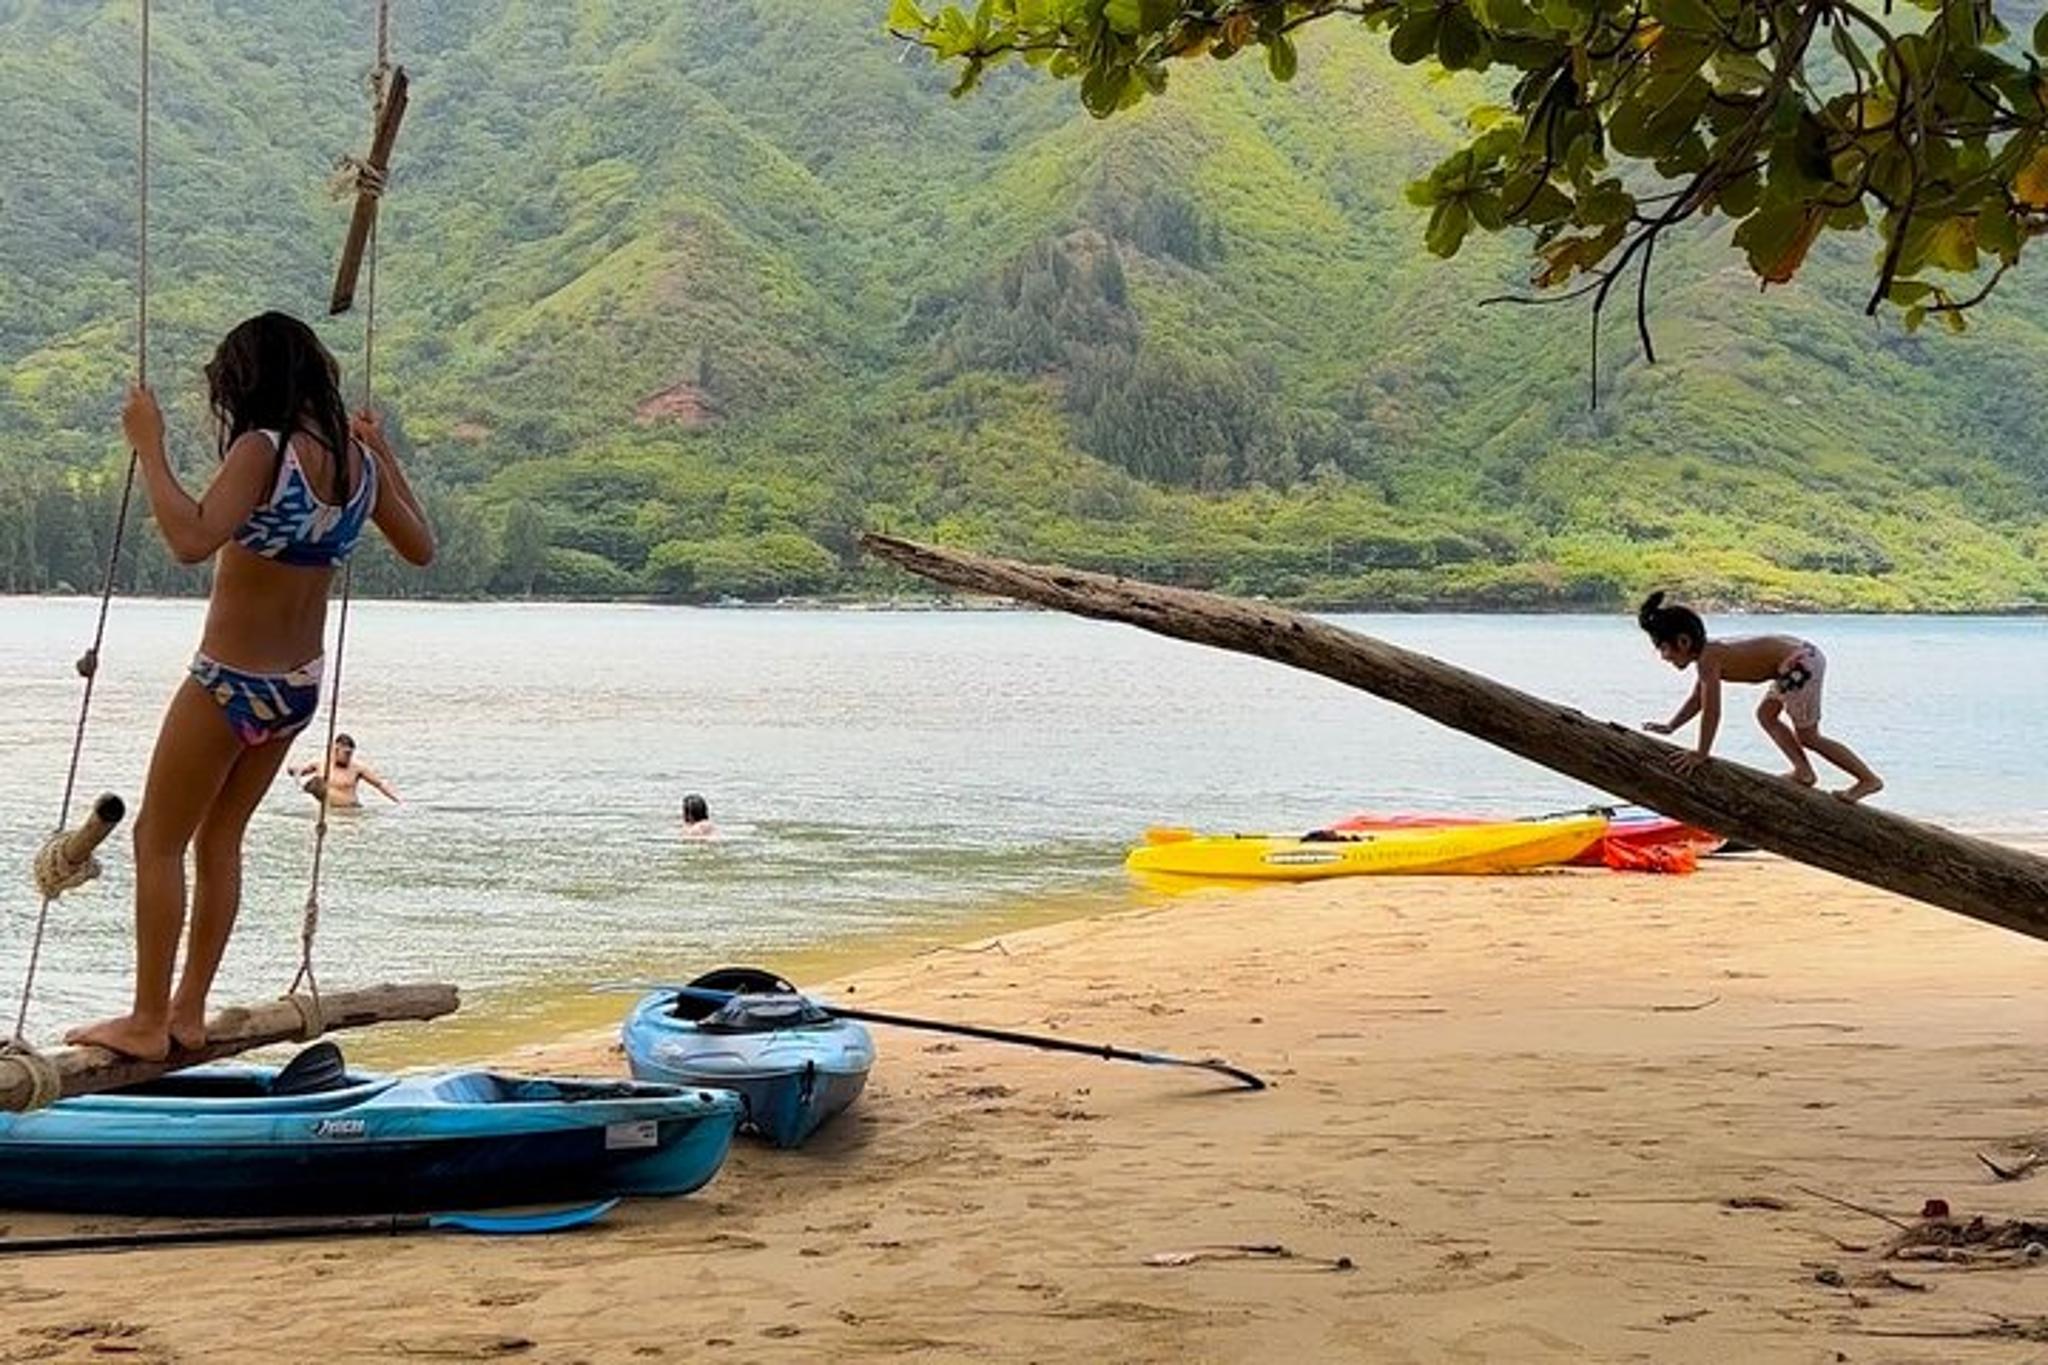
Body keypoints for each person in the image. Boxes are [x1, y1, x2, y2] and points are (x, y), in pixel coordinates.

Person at [67, 312, 435, 1061]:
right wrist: (385, 454)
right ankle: (188, 1010)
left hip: (229, 683)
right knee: (220, 838)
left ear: (249, 380)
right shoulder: (357, 466)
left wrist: (150, 446)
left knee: (157, 840)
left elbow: (190, 539)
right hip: (297, 689)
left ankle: (147, 1019)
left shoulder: (264, 450)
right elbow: (422, 548)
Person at [1637, 591, 1882, 803]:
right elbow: (1698, 699)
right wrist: (1672, 726)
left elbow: (1712, 711)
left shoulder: (1708, 659)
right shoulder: (1708, 656)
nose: (1663, 657)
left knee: (1809, 736)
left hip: (1799, 663)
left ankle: (1867, 780)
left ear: (1683, 641)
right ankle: (1803, 772)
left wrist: (1701, 753)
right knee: (1766, 715)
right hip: (1795, 660)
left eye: (1663, 648)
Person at [289, 733, 399, 807]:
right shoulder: (319, 764)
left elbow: (379, 784)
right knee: (317, 783)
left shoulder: (358, 768)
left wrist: (397, 801)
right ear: (336, 749)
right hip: (328, 811)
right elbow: (298, 772)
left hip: (350, 810)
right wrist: (292, 769)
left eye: (351, 753)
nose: (348, 757)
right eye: (346, 753)